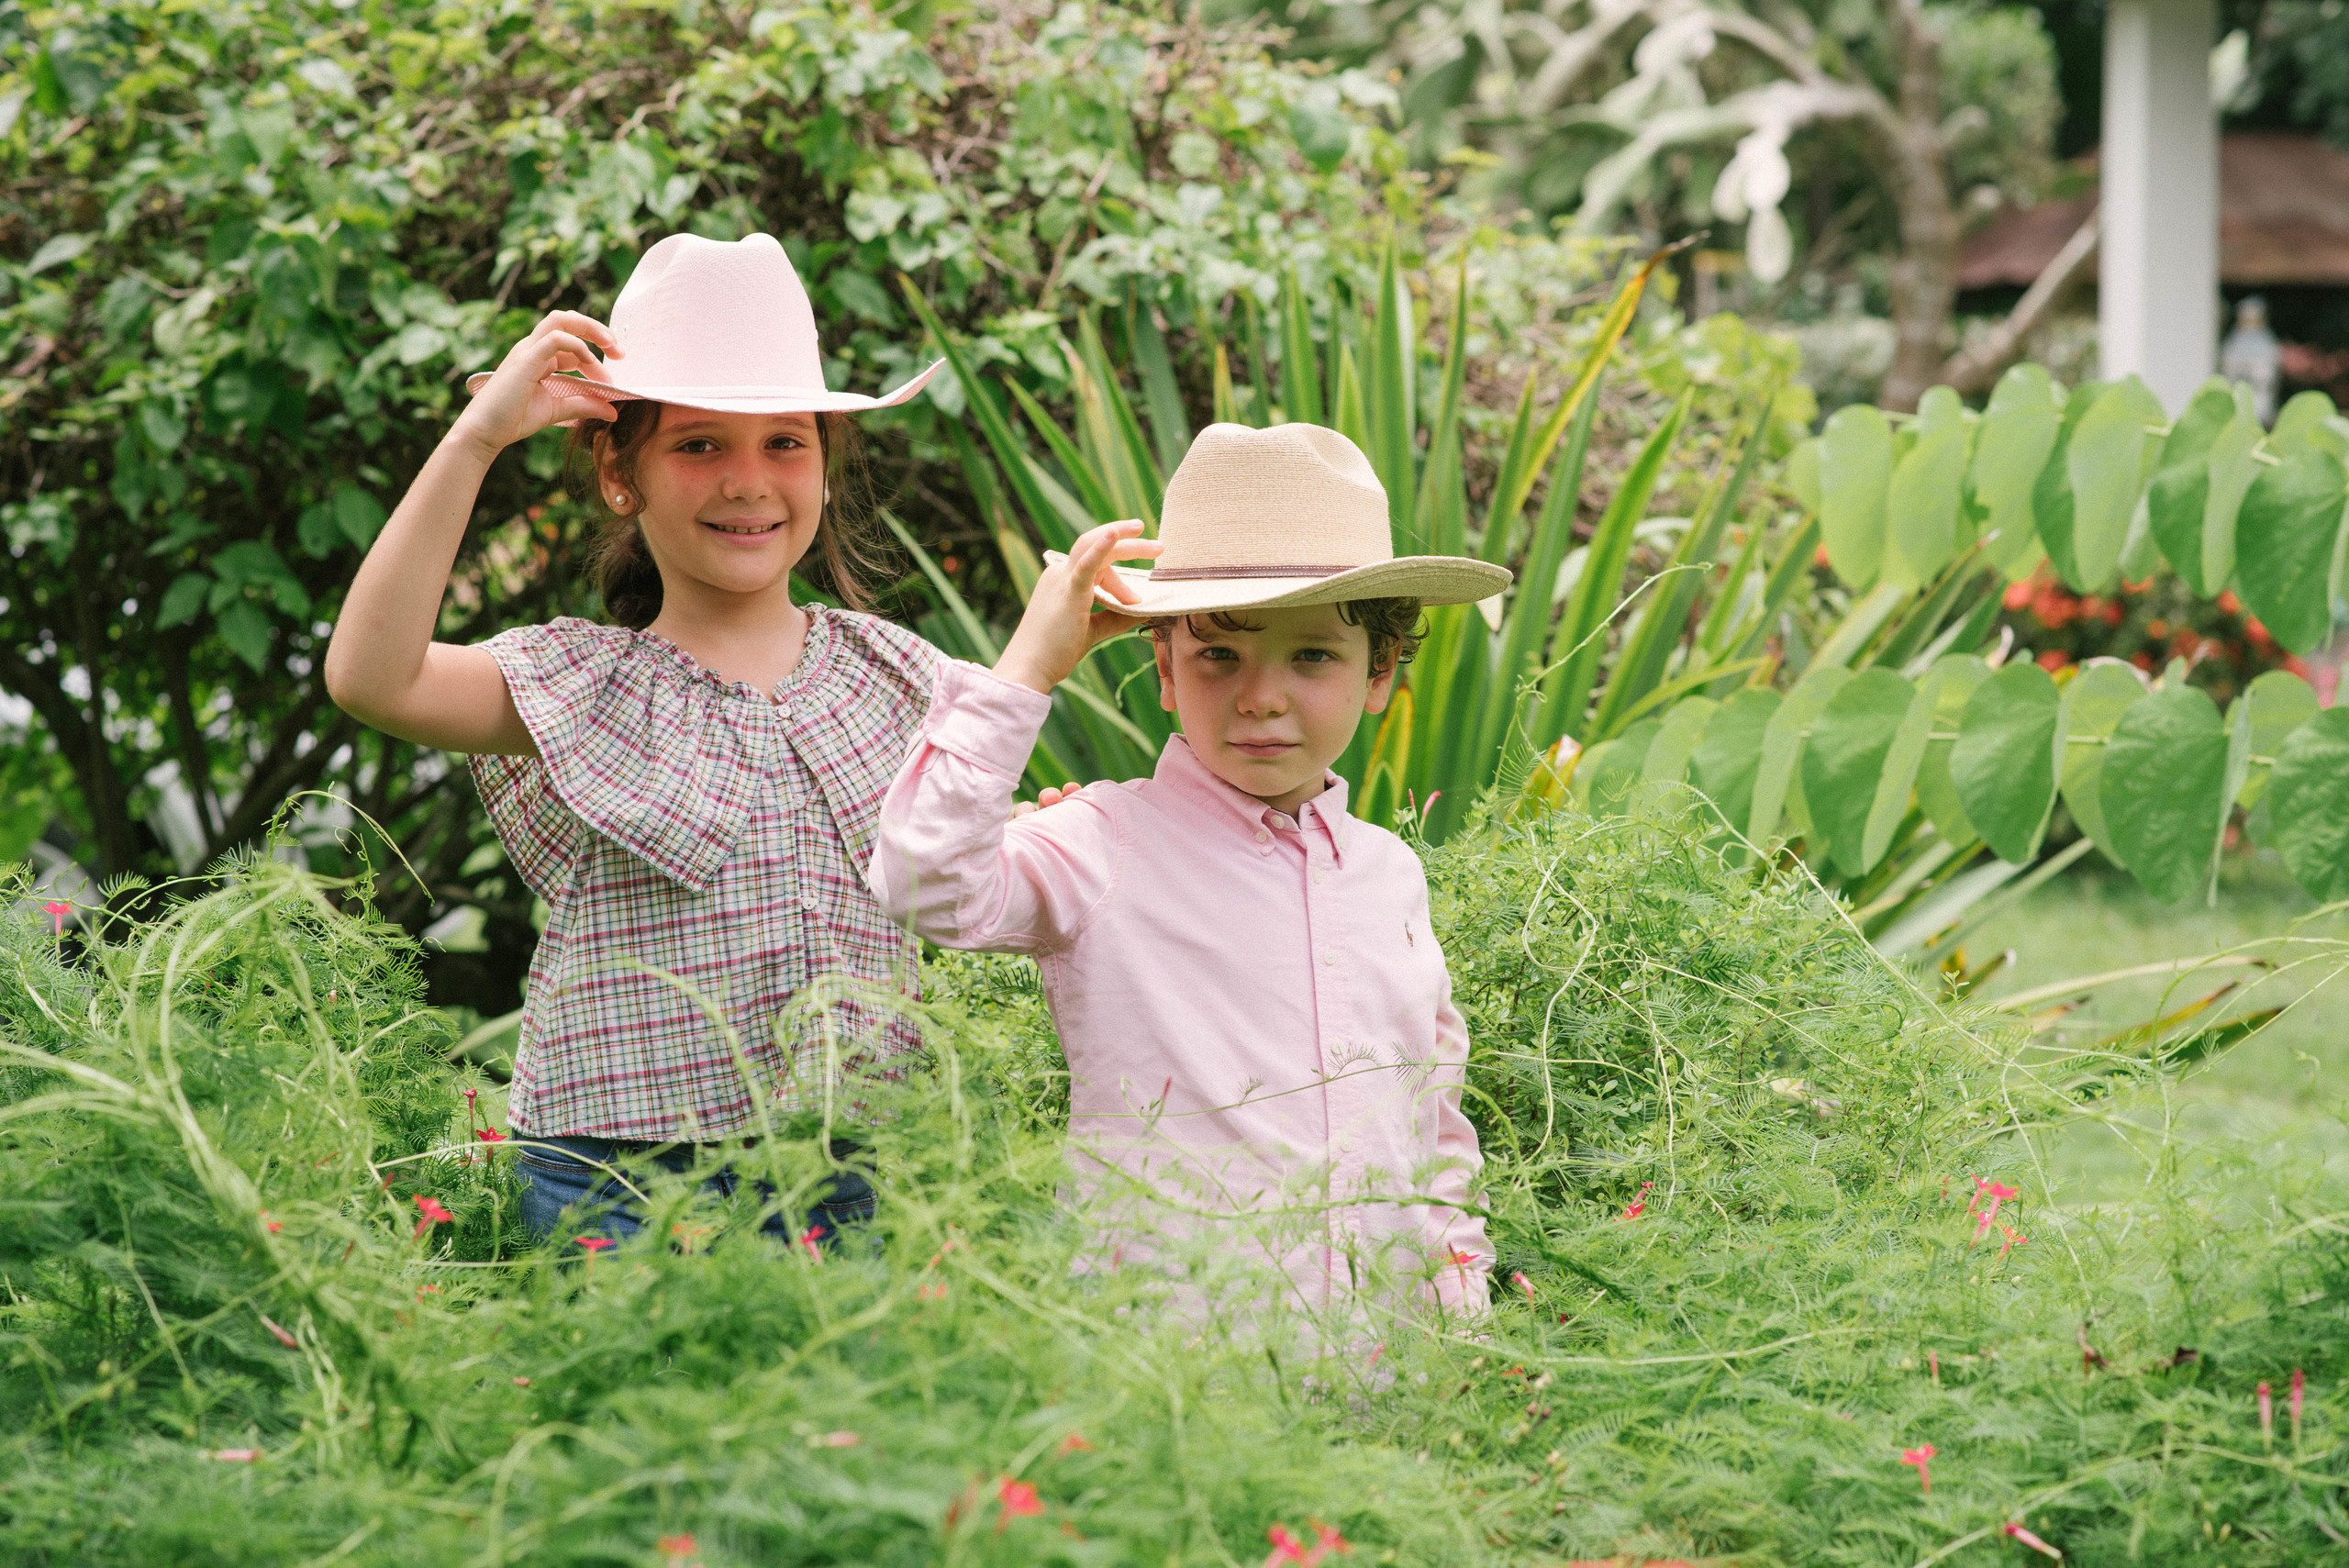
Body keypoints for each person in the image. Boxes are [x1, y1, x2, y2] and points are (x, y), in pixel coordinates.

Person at [324, 232, 941, 1248]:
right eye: (699, 444)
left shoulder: (896, 674)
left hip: (855, 1167)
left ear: (826, 466)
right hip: (615, 1176)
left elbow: (979, 873)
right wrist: (476, 439)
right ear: (621, 471)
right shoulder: (579, 682)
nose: (747, 480)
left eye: (785, 441)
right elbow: (370, 676)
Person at [868, 422, 1508, 1318]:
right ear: (1163, 666)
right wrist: (1030, 668)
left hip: (1383, 1376)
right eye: (1218, 654)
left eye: (1312, 653)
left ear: (1381, 669)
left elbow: (1430, 1109)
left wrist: (1460, 1287)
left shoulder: (1390, 873)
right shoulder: (1100, 842)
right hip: (1174, 1380)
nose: (1260, 695)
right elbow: (922, 879)